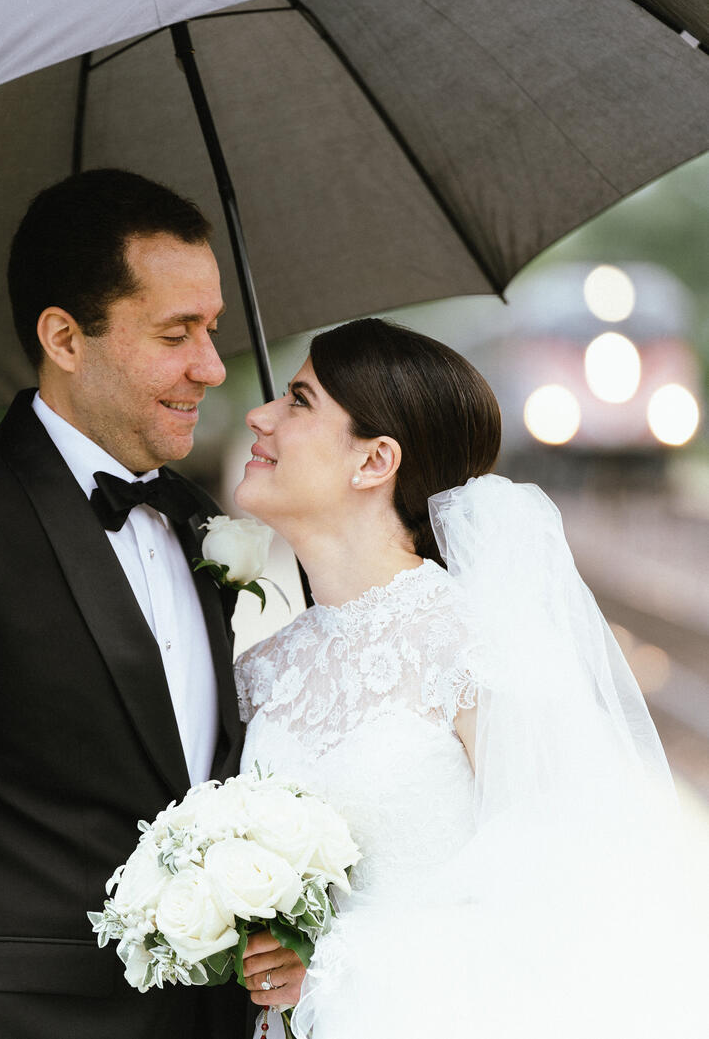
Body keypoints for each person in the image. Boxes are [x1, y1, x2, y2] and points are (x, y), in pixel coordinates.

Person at [233, 317, 709, 1039]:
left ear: (374, 461)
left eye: (298, 400)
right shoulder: (269, 665)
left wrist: (331, 965)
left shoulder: (475, 644)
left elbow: (571, 910)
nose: (258, 415)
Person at [0, 168, 287, 1039]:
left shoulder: (202, 521)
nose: (209, 364)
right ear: (64, 337)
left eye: (212, 329)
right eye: (175, 333)